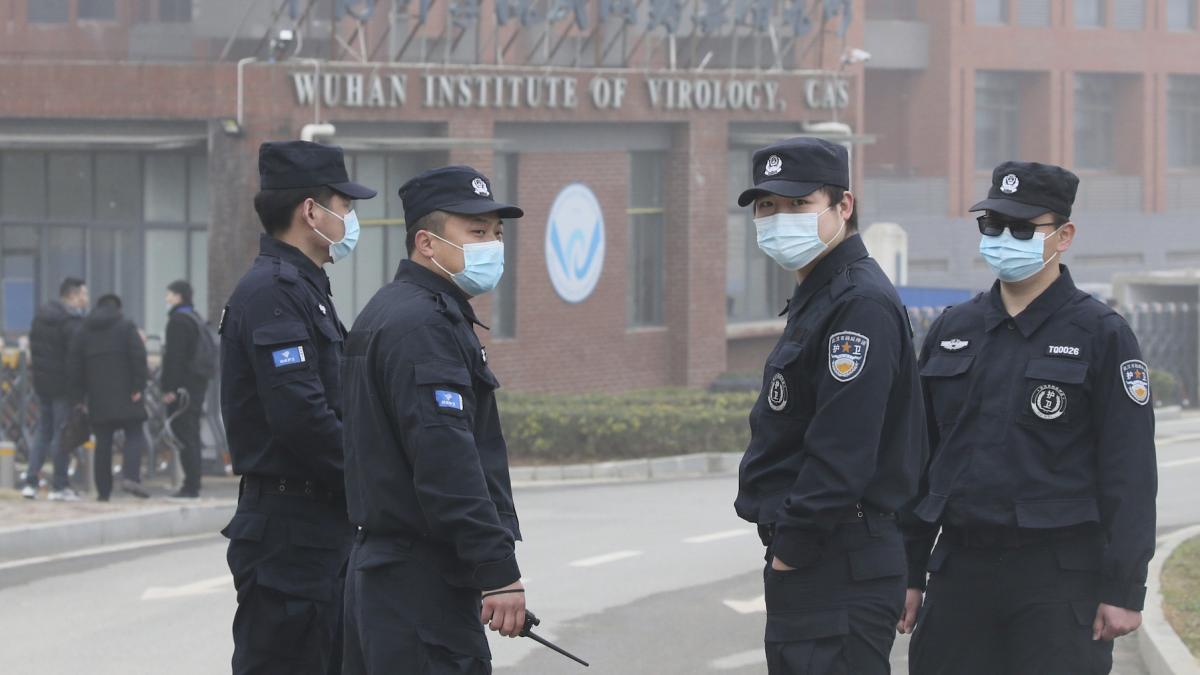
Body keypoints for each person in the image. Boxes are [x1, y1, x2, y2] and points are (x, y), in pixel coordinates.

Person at [900, 162, 1158, 674]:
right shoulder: (954, 329)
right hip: (960, 570)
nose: (1003, 238)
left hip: (1058, 577)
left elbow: (1129, 471)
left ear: (1064, 236)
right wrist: (907, 570)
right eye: (992, 225)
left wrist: (1125, 588)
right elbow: (919, 460)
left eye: (1021, 228)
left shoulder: (1102, 334)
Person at [733, 138, 926, 674]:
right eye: (767, 206)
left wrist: (790, 552)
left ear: (844, 205)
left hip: (837, 558)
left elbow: (843, 449)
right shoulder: (821, 297)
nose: (779, 219)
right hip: (823, 557)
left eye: (799, 204)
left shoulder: (856, 303)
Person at [341, 166, 526, 674]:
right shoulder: (424, 325)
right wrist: (497, 569)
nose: (493, 246)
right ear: (427, 243)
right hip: (419, 585)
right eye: (477, 231)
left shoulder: (392, 310)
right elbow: (447, 461)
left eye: (497, 233)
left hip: (386, 578)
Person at [219, 140, 375, 675]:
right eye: (345, 206)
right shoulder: (273, 292)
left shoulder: (306, 289)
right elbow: (302, 418)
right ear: (311, 211)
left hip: (319, 527)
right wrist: (373, 482)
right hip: (290, 535)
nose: (351, 219)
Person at [66, 294, 151, 501]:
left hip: (98, 397)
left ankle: (103, 492)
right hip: (128, 394)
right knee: (134, 432)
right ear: (118, 308)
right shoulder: (126, 327)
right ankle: (131, 476)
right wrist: (138, 386)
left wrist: (78, 398)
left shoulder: (84, 331)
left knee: (103, 442)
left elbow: (74, 367)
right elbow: (139, 357)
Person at [24, 277, 88, 501]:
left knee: (44, 432)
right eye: (84, 294)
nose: (86, 299)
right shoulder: (71, 322)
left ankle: (30, 482)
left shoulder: (41, 318)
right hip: (63, 386)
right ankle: (59, 485)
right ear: (73, 296)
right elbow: (75, 359)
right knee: (62, 434)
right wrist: (79, 391)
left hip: (43, 384)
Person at [162, 279, 207, 499]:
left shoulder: (178, 321)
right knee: (192, 433)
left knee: (184, 434)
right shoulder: (195, 318)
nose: (167, 299)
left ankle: (190, 485)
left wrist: (169, 388)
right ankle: (193, 482)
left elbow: (174, 358)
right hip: (196, 385)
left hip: (183, 388)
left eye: (169, 294)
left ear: (178, 296)